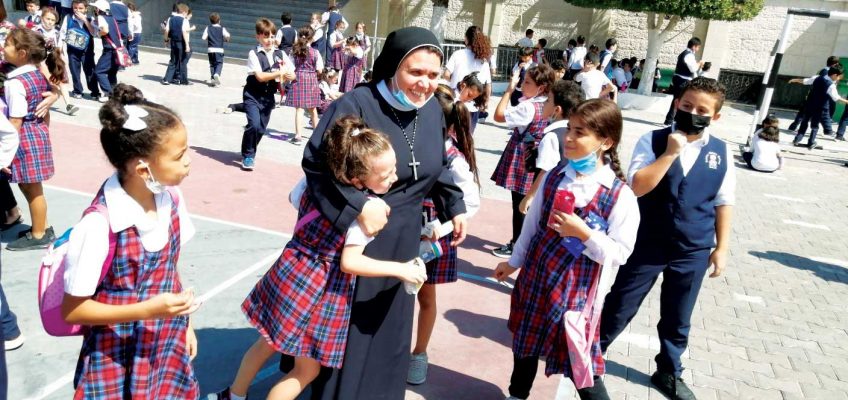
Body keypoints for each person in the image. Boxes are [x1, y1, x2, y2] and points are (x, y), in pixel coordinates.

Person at [286, 26, 468, 400]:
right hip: (358, 238)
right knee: (352, 330)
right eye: (415, 72)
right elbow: (317, 163)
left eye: (433, 74)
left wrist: (456, 206)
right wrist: (359, 204)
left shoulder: (432, 109)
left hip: (405, 239)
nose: (425, 83)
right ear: (393, 66)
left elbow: (433, 166)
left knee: (390, 328)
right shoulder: (358, 103)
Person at [212, 115, 427, 400]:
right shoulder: (367, 211)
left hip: (290, 270)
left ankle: (234, 394)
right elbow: (350, 262)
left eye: (394, 170)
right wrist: (400, 269)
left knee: (267, 342)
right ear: (356, 179)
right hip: (320, 290)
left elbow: (293, 199)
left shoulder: (310, 184)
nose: (394, 178)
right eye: (385, 175)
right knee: (306, 370)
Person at [60, 83, 200, 398]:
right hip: (116, 353)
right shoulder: (99, 225)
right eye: (179, 156)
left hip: (164, 340)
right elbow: (73, 310)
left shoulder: (171, 200)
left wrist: (185, 324)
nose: (188, 161)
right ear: (142, 168)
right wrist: (146, 310)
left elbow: (169, 269)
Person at [495, 98, 639, 400]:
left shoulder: (620, 195)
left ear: (606, 142)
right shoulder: (555, 177)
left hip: (577, 293)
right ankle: (517, 394)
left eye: (580, 132)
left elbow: (620, 254)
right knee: (525, 344)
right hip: (536, 278)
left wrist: (584, 233)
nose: (569, 138)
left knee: (579, 360)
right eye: (569, 129)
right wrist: (513, 262)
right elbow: (531, 227)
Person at [600, 77, 735, 400]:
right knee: (621, 302)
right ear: (677, 104)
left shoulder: (721, 152)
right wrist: (671, 154)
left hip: (694, 247)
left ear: (715, 117)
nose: (693, 113)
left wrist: (722, 247)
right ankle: (590, 351)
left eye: (702, 110)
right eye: (687, 106)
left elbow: (724, 201)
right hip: (649, 240)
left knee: (678, 314)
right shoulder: (653, 140)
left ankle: (669, 371)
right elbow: (637, 186)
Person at [408, 85, 480, 385]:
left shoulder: (453, 158)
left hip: (430, 238)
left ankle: (419, 353)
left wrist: (444, 226)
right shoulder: (409, 143)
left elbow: (471, 202)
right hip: (402, 229)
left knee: (425, 296)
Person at [490, 64, 556, 258]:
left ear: (541, 87)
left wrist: (509, 90)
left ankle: (517, 244)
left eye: (527, 82)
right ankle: (525, 242)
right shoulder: (549, 104)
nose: (522, 85)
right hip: (539, 154)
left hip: (524, 156)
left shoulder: (528, 107)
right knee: (531, 201)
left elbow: (498, 116)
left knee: (519, 202)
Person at [3, 28, 59, 250]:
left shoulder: (15, 83)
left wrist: (4, 152)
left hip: (23, 138)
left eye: (8, 44)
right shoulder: (36, 74)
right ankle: (41, 226)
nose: (3, 47)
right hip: (35, 134)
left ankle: (38, 235)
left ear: (22, 53)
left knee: (33, 189)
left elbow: (16, 120)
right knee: (29, 186)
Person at [518, 79, 585, 215]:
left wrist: (529, 197)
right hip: (570, 197)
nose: (544, 103)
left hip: (550, 196)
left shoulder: (551, 136)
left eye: (548, 100)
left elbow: (545, 171)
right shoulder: (578, 135)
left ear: (557, 110)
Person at [239, 18, 294, 170]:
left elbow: (292, 72)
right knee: (254, 124)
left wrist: (290, 75)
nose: (270, 40)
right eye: (266, 36)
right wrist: (279, 73)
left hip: (268, 97)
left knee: (261, 129)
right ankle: (249, 156)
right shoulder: (254, 53)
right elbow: (260, 76)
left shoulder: (280, 53)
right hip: (252, 94)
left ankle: (247, 149)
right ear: (258, 37)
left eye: (272, 36)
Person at [443, 25, 492, 131]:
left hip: (455, 101)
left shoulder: (458, 54)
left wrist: (455, 81)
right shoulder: (483, 60)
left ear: (466, 38)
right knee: (467, 136)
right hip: (473, 104)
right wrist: (486, 102)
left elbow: (446, 74)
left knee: (450, 134)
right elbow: (487, 84)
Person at [791, 64, 847, 149]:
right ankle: (811, 142)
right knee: (815, 125)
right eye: (839, 77)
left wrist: (795, 80)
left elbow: (805, 81)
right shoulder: (831, 85)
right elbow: (836, 98)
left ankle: (797, 139)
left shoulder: (817, 77)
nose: (839, 79)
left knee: (804, 122)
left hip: (809, 104)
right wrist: (846, 101)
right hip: (819, 108)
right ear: (835, 75)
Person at [285, 25, 322, 145]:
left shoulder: (294, 51)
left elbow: (290, 67)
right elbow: (320, 69)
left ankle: (298, 136)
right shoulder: (315, 52)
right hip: (311, 80)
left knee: (299, 109)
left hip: (298, 78)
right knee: (313, 109)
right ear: (312, 38)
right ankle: (317, 136)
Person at [788, 56, 840, 132]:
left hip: (815, 95)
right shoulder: (827, 72)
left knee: (805, 112)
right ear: (835, 64)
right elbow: (817, 82)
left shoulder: (824, 70)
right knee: (808, 113)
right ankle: (822, 130)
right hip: (818, 96)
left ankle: (794, 127)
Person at [62, 0, 100, 100]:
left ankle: (95, 91)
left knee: (90, 71)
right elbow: (62, 33)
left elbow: (94, 33)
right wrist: (60, 48)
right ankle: (78, 90)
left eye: (80, 8)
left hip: (87, 51)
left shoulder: (90, 19)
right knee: (75, 71)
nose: (77, 10)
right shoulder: (68, 17)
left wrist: (85, 20)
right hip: (72, 50)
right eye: (75, 8)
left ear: (86, 9)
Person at [663, 37, 703, 126]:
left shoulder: (684, 54)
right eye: (698, 47)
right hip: (682, 80)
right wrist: (699, 64)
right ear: (694, 46)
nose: (698, 49)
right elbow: (693, 69)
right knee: (679, 100)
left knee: (678, 100)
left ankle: (671, 120)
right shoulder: (689, 55)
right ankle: (671, 121)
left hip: (680, 79)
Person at [91, 0, 121, 101]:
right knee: (112, 73)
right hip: (117, 49)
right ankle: (115, 94)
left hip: (109, 49)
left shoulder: (101, 17)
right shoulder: (112, 18)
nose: (95, 10)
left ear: (99, 9)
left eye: (96, 8)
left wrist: (98, 33)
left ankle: (108, 94)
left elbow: (105, 30)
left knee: (99, 71)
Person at [161, 3, 189, 86]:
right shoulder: (184, 20)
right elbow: (184, 32)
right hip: (181, 42)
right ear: (184, 12)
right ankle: (182, 80)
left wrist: (166, 40)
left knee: (173, 60)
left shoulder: (170, 19)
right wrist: (187, 45)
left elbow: (166, 30)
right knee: (182, 61)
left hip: (173, 42)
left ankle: (167, 79)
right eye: (186, 13)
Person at [202, 12, 230, 87]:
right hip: (219, 49)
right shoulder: (222, 28)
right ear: (219, 21)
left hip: (210, 49)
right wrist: (226, 39)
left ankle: (213, 80)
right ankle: (217, 74)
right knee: (219, 63)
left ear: (210, 21)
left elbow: (203, 38)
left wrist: (210, 38)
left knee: (212, 64)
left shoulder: (208, 28)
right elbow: (227, 35)